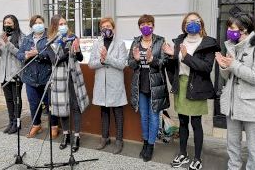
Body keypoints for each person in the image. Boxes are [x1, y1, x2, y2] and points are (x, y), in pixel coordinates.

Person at [215, 13, 255, 170]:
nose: (228, 30)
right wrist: (223, 66)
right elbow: (227, 77)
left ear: (244, 28)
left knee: (254, 150)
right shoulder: (232, 46)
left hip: (254, 107)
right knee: (232, 147)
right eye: (228, 27)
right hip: (233, 106)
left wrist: (233, 64)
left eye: (231, 27)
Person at [163, 12, 219, 170]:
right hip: (181, 84)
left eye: (195, 21)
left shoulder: (208, 43)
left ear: (201, 23)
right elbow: (175, 65)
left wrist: (186, 56)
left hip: (197, 86)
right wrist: (170, 56)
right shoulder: (179, 41)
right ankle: (183, 153)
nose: (192, 23)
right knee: (182, 122)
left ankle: (197, 157)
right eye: (189, 21)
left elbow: (206, 68)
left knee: (196, 123)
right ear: (184, 25)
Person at [128, 14, 169, 162]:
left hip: (155, 86)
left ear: (153, 26)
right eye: (143, 24)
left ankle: (151, 145)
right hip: (140, 86)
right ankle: (145, 143)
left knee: (153, 117)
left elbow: (164, 63)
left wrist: (152, 60)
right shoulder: (135, 42)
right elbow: (130, 64)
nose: (146, 27)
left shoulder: (160, 41)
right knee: (144, 116)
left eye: (149, 24)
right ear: (139, 27)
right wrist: (137, 60)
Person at [48, 14, 88, 152]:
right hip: (59, 79)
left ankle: (76, 136)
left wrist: (76, 50)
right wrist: (66, 51)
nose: (63, 26)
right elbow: (55, 60)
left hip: (73, 77)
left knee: (75, 106)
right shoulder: (50, 42)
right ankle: (66, 134)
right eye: (60, 24)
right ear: (54, 26)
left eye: (64, 23)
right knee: (63, 109)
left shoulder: (73, 38)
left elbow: (80, 58)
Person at [88, 17, 127, 154]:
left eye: (108, 26)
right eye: (103, 26)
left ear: (113, 28)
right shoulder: (96, 43)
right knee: (104, 112)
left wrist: (108, 58)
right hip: (101, 84)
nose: (106, 28)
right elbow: (91, 64)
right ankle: (105, 138)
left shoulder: (120, 43)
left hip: (115, 84)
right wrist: (101, 60)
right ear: (100, 29)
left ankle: (119, 140)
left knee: (118, 113)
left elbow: (122, 64)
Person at [16, 15, 59, 138]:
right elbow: (19, 54)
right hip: (30, 78)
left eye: (40, 22)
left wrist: (38, 53)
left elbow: (53, 54)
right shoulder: (27, 39)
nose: (38, 25)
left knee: (50, 103)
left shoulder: (50, 37)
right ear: (32, 26)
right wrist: (26, 55)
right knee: (34, 103)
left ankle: (54, 126)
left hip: (47, 77)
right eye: (35, 23)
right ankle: (36, 125)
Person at [0, 15, 24, 134]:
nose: (7, 25)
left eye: (9, 23)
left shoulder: (21, 37)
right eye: (5, 23)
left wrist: (7, 43)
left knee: (16, 99)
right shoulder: (1, 35)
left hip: (15, 74)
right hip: (3, 74)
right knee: (9, 100)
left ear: (15, 24)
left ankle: (17, 123)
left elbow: (20, 55)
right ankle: (11, 121)